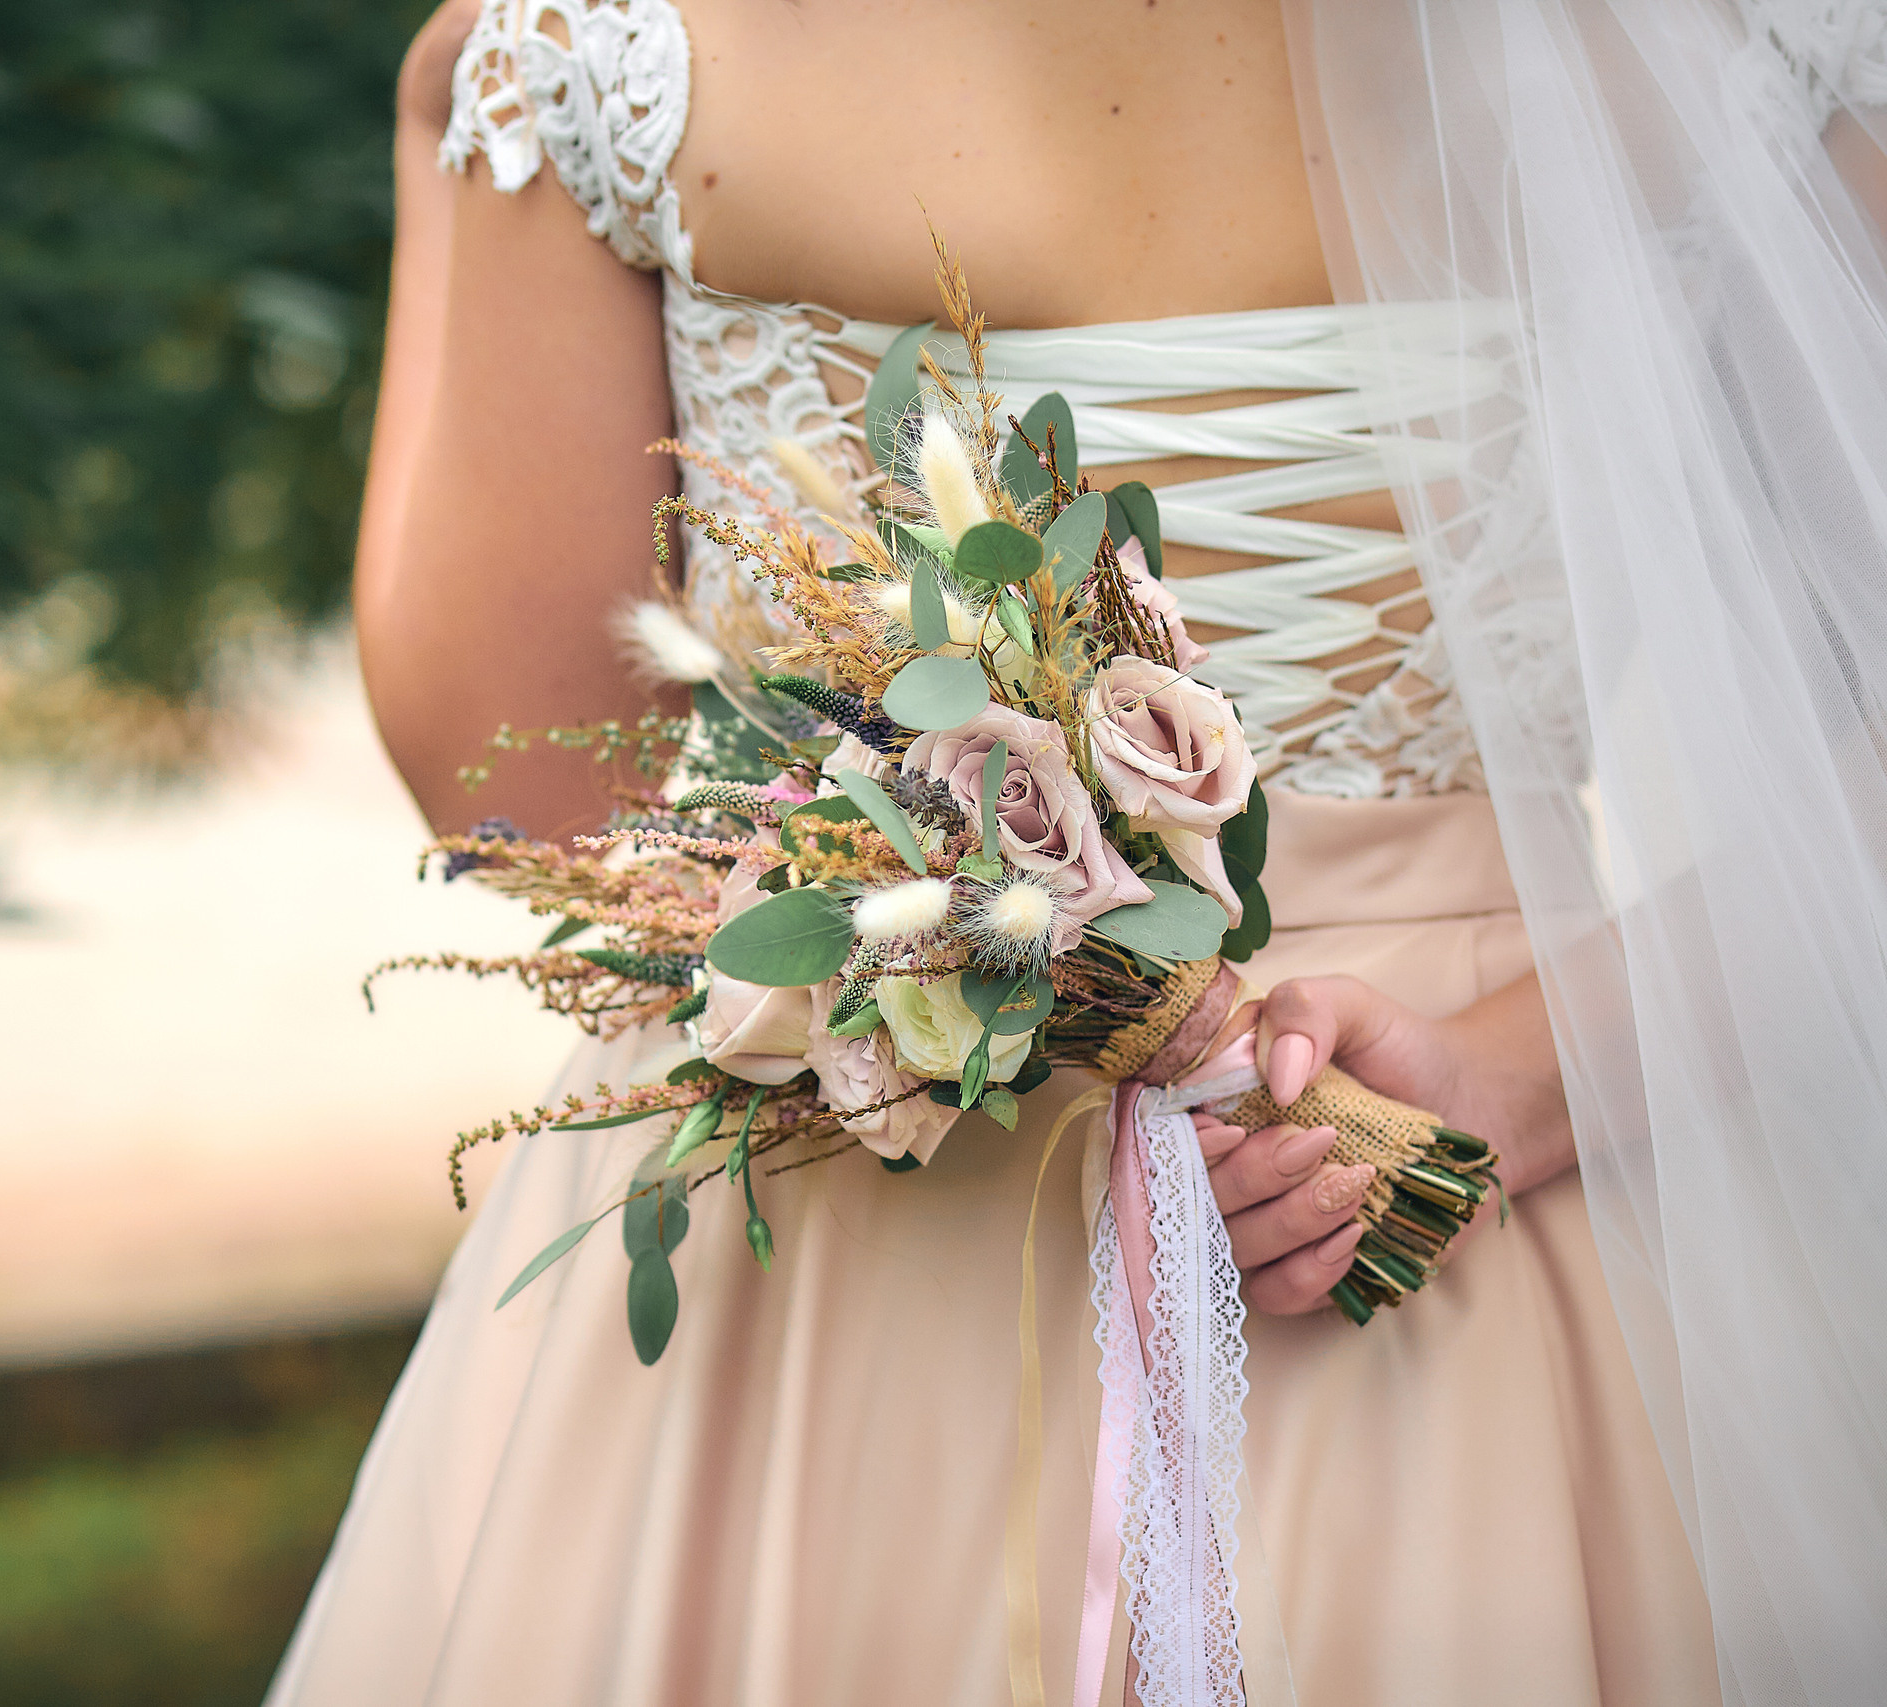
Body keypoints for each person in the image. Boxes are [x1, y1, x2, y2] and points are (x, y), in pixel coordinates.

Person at [277, 2, 1887, 1701]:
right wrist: (1521, 1072)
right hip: (1429, 1197)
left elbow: (519, 781)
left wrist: (438, 116)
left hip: (839, 1279)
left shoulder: (611, 53)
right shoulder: (1731, 38)